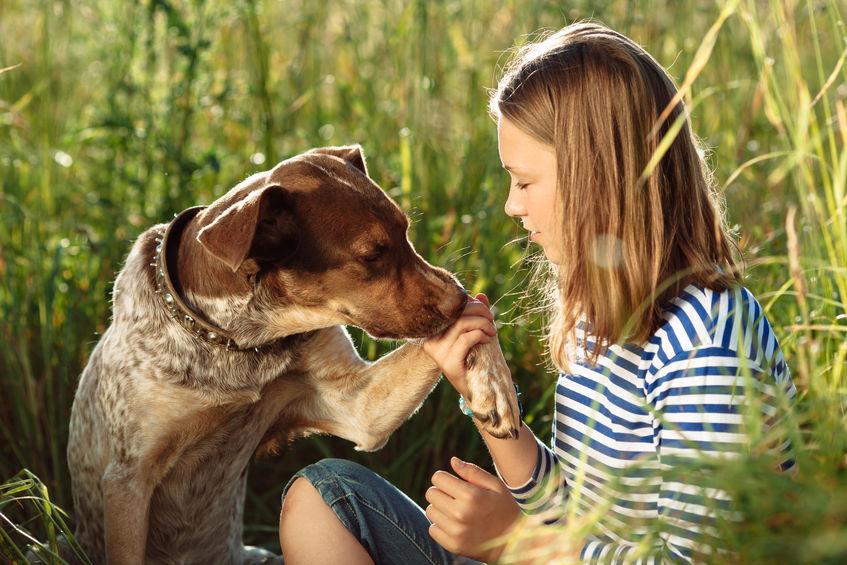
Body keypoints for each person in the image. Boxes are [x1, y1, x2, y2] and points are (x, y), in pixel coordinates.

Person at [277, 21, 796, 564]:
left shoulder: (703, 342)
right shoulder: (600, 314)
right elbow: (572, 513)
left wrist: (515, 542)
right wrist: (492, 407)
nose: (512, 205)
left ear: (596, 178)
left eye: (523, 182)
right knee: (327, 498)